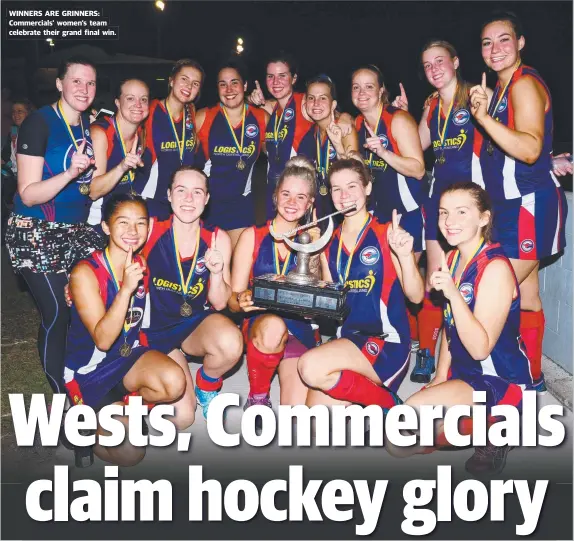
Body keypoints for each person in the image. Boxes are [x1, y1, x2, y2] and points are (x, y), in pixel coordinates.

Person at [386, 182, 533, 476]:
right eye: (443, 213)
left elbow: (480, 348)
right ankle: (475, 420)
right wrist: (441, 375)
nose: (449, 221)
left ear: (484, 218)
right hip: (465, 374)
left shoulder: (495, 268)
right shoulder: (452, 258)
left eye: (461, 212)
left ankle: (502, 425)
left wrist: (453, 294)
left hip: (500, 380)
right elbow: (449, 326)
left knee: (409, 429)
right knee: (397, 441)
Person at [470, 10, 568, 393]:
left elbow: (529, 149)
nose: (495, 49)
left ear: (521, 43)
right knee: (527, 297)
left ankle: (495, 381)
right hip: (510, 207)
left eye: (504, 39)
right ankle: (534, 378)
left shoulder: (524, 85)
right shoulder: (503, 89)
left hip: (531, 205)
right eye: (487, 42)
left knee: (492, 293)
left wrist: (483, 118)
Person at [391, 41, 491, 385]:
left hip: (471, 202)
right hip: (438, 201)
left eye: (440, 61)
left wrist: (549, 158)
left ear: (456, 61)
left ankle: (468, 355)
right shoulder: (432, 104)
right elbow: (417, 145)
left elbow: (506, 137)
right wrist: (402, 115)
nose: (433, 69)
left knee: (471, 279)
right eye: (427, 64)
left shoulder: (476, 95)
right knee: (436, 275)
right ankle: (428, 352)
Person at [64, 194, 188, 466]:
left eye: (140, 223)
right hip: (90, 372)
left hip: (126, 359)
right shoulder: (85, 273)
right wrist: (125, 289)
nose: (133, 232)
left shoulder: (141, 263)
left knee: (174, 382)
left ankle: (123, 407)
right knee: (130, 454)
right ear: (106, 227)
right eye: (123, 222)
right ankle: (78, 429)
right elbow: (104, 340)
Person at [5, 56, 103, 399]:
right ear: (60, 84)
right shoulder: (38, 122)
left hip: (75, 231)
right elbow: (28, 194)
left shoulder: (86, 124)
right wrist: (70, 174)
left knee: (93, 297)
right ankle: (62, 395)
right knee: (58, 310)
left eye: (90, 83)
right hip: (36, 229)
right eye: (76, 81)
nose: (84, 89)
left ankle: (84, 370)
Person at [297, 159, 425, 409]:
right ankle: (370, 398)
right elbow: (330, 307)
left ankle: (388, 404)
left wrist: (406, 256)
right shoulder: (328, 243)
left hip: (387, 343)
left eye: (352, 186)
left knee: (310, 366)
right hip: (349, 342)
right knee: (316, 423)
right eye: (336, 189)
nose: (344, 196)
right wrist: (309, 257)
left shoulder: (387, 233)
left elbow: (417, 297)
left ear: (367, 188)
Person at [141, 165, 243, 418]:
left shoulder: (218, 238)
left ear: (207, 199)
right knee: (183, 418)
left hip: (192, 326)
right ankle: (163, 372)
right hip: (154, 330)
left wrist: (217, 273)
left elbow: (220, 303)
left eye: (197, 192)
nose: (188, 199)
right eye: (181, 190)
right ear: (168, 195)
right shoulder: (149, 230)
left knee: (231, 343)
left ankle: (206, 385)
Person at [229, 156, 321, 412]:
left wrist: (312, 252)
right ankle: (258, 396)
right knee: (272, 326)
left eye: (301, 197)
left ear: (310, 203)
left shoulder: (315, 240)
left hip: (299, 328)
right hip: (263, 326)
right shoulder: (252, 236)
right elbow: (232, 300)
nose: (292, 202)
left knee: (298, 416)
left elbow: (318, 304)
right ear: (276, 196)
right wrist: (242, 300)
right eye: (286, 194)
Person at [196, 61, 269, 249]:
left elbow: (280, 154)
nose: (229, 89)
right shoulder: (204, 117)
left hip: (241, 207)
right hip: (207, 206)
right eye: (222, 84)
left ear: (245, 86)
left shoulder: (261, 118)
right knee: (208, 269)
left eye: (234, 82)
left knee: (239, 267)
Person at [247, 53, 314, 220]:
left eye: (282, 76)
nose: (276, 82)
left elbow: (335, 115)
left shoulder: (305, 103)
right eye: (271, 76)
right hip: (275, 190)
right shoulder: (272, 109)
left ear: (294, 78)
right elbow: (237, 106)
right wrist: (250, 99)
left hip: (300, 194)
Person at [142, 59, 206, 219]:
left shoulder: (191, 111)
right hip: (153, 200)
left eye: (195, 83)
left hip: (183, 200)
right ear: (171, 80)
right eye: (184, 79)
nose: (189, 87)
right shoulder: (149, 111)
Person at [88, 79, 151, 228]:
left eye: (144, 99)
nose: (138, 104)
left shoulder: (143, 133)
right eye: (130, 98)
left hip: (126, 221)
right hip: (97, 223)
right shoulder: (101, 133)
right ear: (117, 102)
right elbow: (93, 192)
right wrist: (122, 167)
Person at [298, 75, 361, 224]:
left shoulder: (344, 129)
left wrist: (338, 145)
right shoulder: (310, 134)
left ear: (333, 105)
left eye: (323, 98)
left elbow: (356, 173)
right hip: (320, 209)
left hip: (344, 207)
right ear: (305, 103)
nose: (316, 103)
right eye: (311, 98)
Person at [2, 98, 34, 240]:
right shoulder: (13, 132)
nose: (16, 115)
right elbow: (7, 156)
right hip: (13, 175)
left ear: (28, 113)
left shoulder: (35, 132)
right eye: (14, 112)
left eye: (20, 111)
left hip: (29, 179)